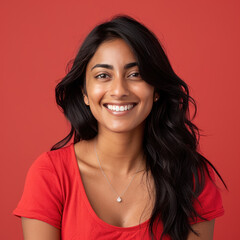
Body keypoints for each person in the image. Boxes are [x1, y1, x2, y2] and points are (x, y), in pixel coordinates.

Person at [12, 14, 226, 240]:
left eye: (135, 74)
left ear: (156, 91)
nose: (119, 90)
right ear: (85, 93)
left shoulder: (192, 177)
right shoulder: (50, 175)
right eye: (103, 75)